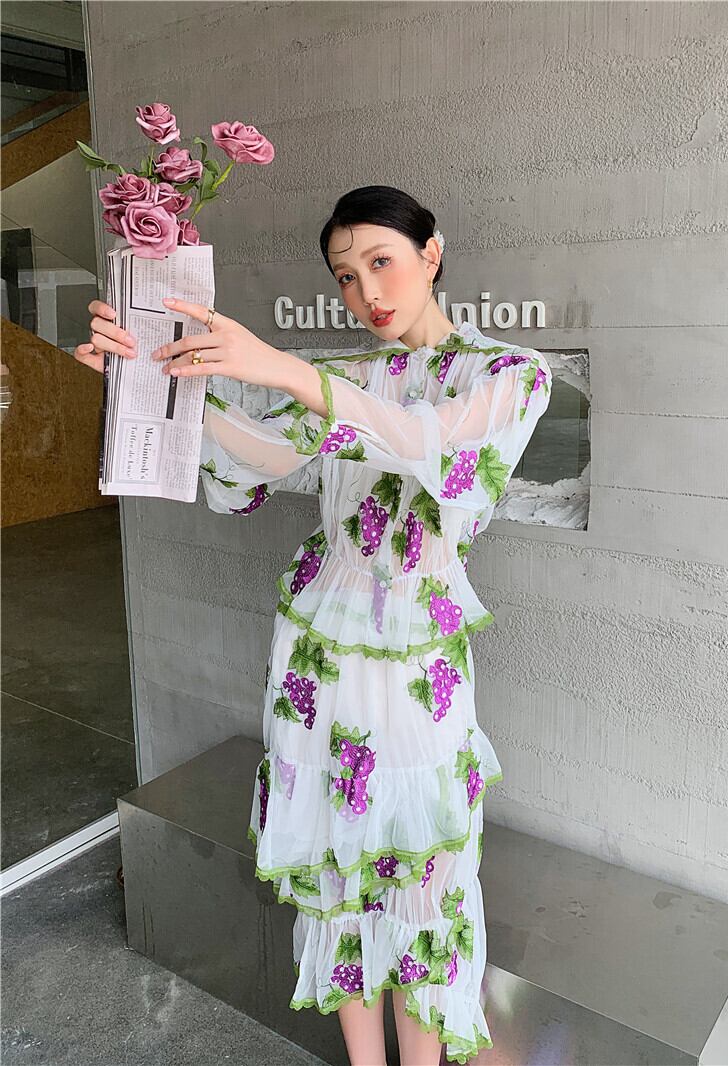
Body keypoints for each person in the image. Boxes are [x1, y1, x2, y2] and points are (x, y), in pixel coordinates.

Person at [77, 185, 552, 1066]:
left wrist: (284, 370)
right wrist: (145, 381)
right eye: (345, 275)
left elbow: (429, 443)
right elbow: (254, 456)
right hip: (317, 652)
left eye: (381, 261)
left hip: (416, 660)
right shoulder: (348, 378)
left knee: (421, 881)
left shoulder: (510, 373)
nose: (366, 290)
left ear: (431, 254)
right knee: (338, 877)